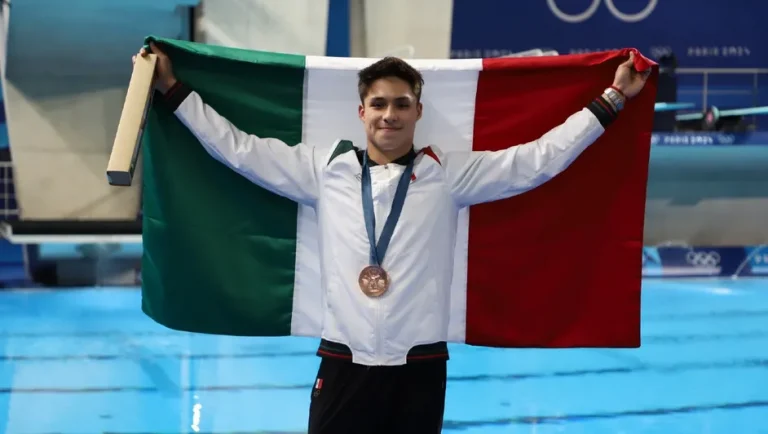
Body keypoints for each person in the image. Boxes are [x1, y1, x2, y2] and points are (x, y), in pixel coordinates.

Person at [134, 42, 650, 433]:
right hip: (342, 359)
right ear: (362, 112)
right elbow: (238, 149)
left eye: (402, 104)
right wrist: (174, 91)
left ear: (418, 112)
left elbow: (536, 161)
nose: (389, 115)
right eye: (378, 104)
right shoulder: (324, 169)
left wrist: (611, 99)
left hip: (419, 363)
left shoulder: (448, 174)